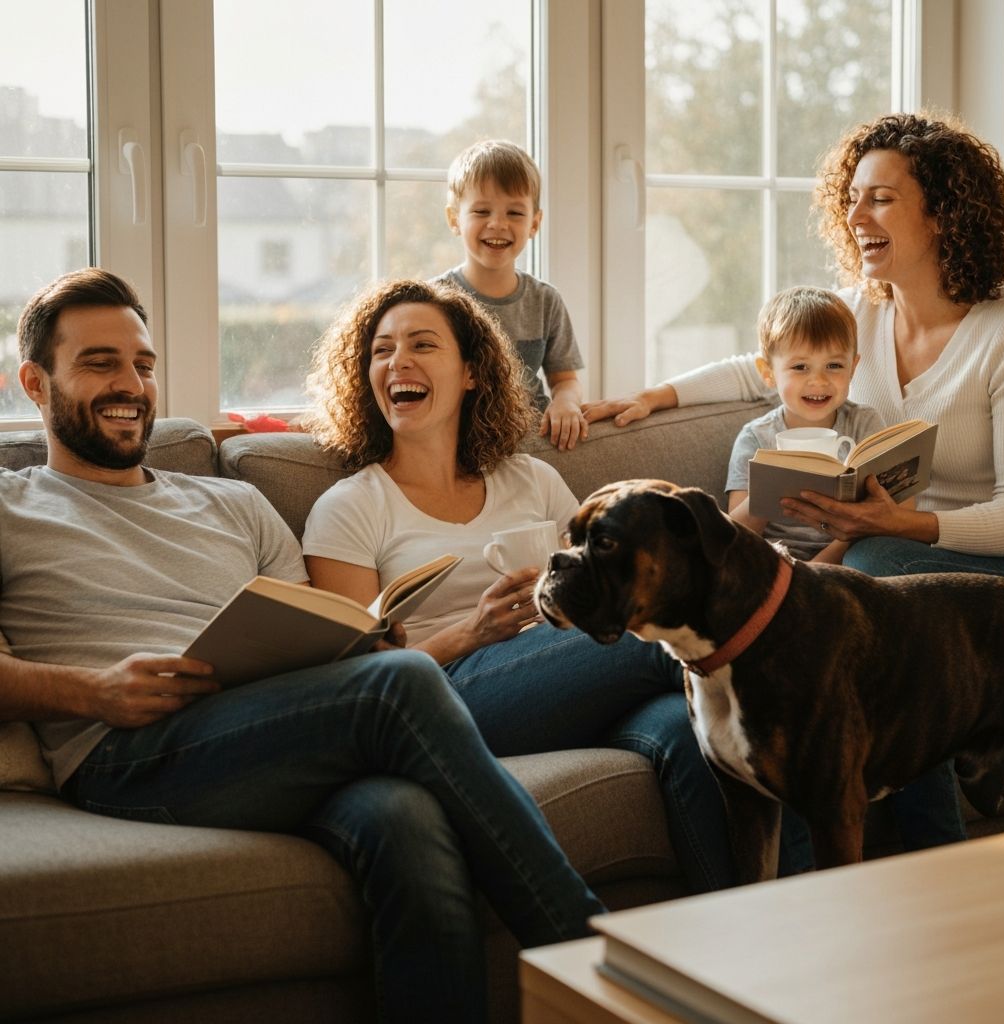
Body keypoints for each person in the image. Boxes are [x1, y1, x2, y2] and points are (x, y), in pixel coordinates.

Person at [4, 267, 606, 1024]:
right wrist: (91, 692)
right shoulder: (11, 506)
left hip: (267, 733)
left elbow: (323, 635)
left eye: (143, 365)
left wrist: (368, 635)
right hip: (128, 751)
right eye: (100, 363)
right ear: (34, 382)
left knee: (405, 816)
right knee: (400, 684)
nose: (131, 383)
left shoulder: (235, 502)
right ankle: (598, 967)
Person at [584, 111, 1004, 855]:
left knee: (869, 589)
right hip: (874, 558)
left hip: (977, 571)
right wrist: (654, 397)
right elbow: (755, 363)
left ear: (944, 211)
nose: (855, 215)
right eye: (851, 196)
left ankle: (929, 866)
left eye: (880, 198)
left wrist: (896, 528)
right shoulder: (859, 311)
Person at [301, 277, 737, 894]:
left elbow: (600, 592)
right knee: (666, 636)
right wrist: (470, 632)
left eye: (423, 345)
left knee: (684, 728)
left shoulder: (530, 478)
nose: (399, 361)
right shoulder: (350, 508)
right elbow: (356, 686)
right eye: (381, 349)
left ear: (472, 373)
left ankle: (736, 935)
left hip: (572, 676)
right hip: (450, 698)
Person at [434, 138, 588, 450]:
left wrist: (566, 404)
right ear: (454, 220)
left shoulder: (546, 301)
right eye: (481, 210)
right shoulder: (435, 300)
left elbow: (565, 380)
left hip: (532, 444)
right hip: (460, 446)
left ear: (535, 223)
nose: (498, 224)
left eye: (515, 213)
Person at [727, 285, 884, 564]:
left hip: (846, 558)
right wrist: (771, 486)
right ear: (768, 373)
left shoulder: (865, 424)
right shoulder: (755, 438)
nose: (819, 381)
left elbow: (878, 518)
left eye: (834, 365)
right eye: (800, 367)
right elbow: (735, 536)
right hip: (775, 562)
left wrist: (818, 570)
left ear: (853, 367)